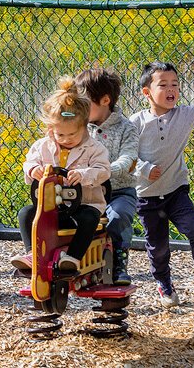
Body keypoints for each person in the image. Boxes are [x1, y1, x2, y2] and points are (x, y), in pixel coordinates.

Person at [128, 62, 194, 307]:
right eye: (163, 85)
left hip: (176, 190)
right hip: (146, 197)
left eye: (175, 84)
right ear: (147, 93)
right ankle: (164, 283)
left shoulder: (185, 115)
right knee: (159, 247)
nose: (171, 89)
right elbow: (124, 155)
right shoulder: (136, 122)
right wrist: (144, 169)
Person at [10, 77, 111, 274]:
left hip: (83, 205)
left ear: (84, 127)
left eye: (72, 135)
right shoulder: (41, 147)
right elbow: (29, 163)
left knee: (90, 218)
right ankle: (32, 254)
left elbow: (104, 171)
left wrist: (84, 175)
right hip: (51, 206)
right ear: (51, 130)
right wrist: (32, 170)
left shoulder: (94, 148)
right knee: (26, 213)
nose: (66, 139)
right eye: (60, 135)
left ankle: (72, 258)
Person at [74, 68, 139, 286]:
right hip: (88, 191)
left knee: (118, 216)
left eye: (84, 102)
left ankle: (119, 262)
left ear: (105, 100)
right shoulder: (79, 127)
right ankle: (74, 259)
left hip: (119, 190)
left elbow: (129, 157)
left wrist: (105, 170)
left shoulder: (126, 128)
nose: (79, 108)